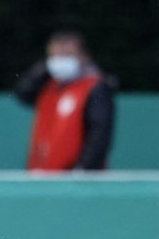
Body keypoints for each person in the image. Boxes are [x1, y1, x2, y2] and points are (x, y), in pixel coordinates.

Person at [13, 30, 116, 171]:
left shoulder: (95, 88)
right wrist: (43, 68)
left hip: (76, 175)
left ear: (84, 56)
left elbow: (99, 134)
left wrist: (83, 169)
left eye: (67, 55)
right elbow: (22, 93)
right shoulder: (48, 86)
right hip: (43, 171)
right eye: (55, 56)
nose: (60, 61)